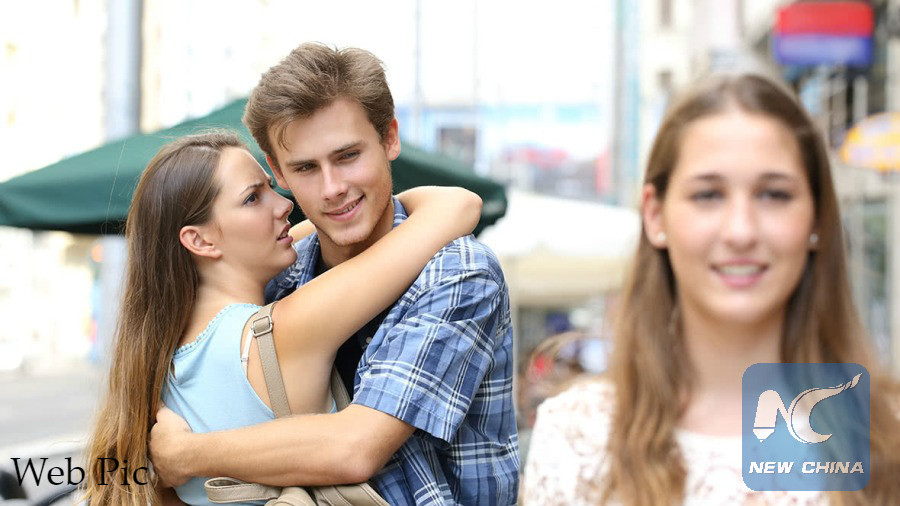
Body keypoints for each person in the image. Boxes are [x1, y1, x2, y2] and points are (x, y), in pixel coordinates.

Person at [148, 43, 519, 506]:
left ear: (390, 138)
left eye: (347, 156)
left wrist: (189, 454)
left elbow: (357, 448)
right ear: (278, 172)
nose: (332, 189)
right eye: (305, 167)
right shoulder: (279, 277)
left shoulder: (458, 272)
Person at [523, 73, 900, 505]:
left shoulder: (887, 434)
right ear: (655, 215)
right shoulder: (578, 437)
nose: (741, 231)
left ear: (817, 216)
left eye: (774, 195)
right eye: (708, 195)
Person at [81, 130, 484, 506]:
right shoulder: (285, 329)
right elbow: (457, 207)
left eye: (270, 188)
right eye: (253, 198)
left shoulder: (161, 364)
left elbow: (309, 233)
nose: (285, 204)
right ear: (199, 240)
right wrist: (365, 203)